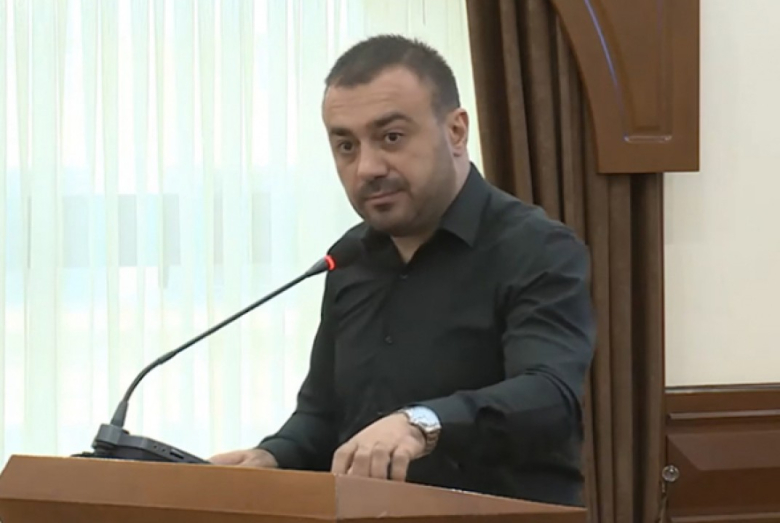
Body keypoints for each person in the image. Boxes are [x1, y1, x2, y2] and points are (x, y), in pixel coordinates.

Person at [211, 34, 595, 507]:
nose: (367, 167)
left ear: (456, 132)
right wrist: (272, 456)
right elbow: (321, 415)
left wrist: (422, 423)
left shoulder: (537, 248)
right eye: (346, 146)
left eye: (391, 137)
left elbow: (550, 396)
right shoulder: (347, 258)